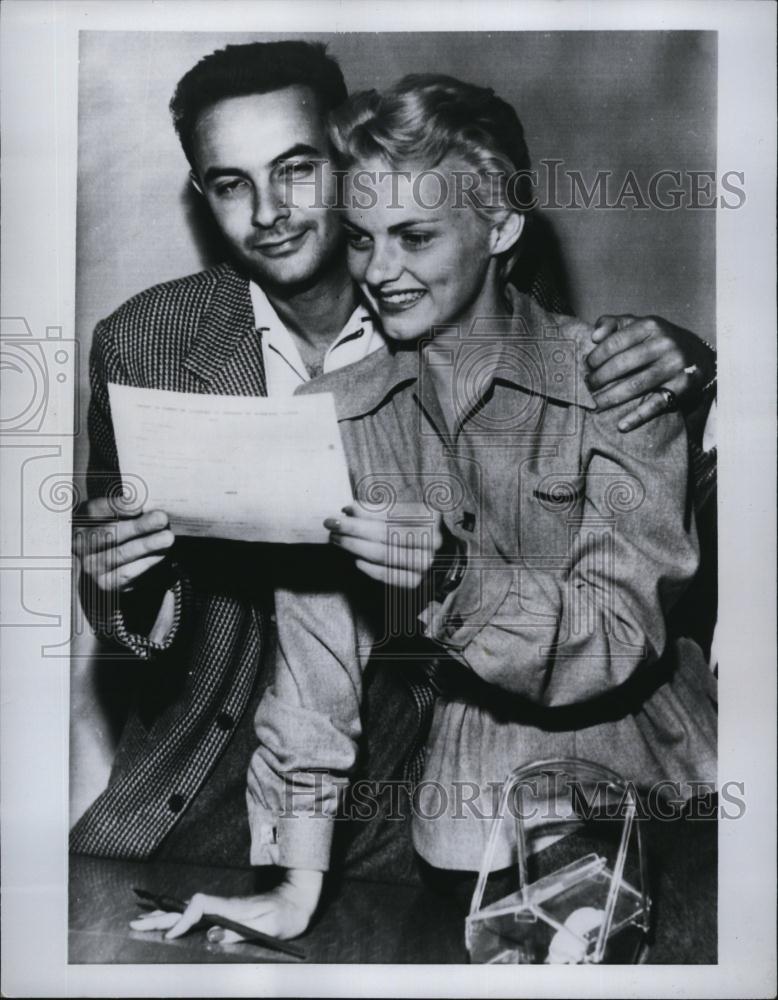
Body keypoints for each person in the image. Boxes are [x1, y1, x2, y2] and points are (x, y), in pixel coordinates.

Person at [72, 43, 715, 873]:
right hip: (212, 773)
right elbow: (207, 642)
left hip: (464, 781)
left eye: (297, 169)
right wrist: (121, 576)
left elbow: (579, 408)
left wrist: (694, 361)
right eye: (230, 182)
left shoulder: (494, 311)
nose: (268, 211)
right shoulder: (146, 344)